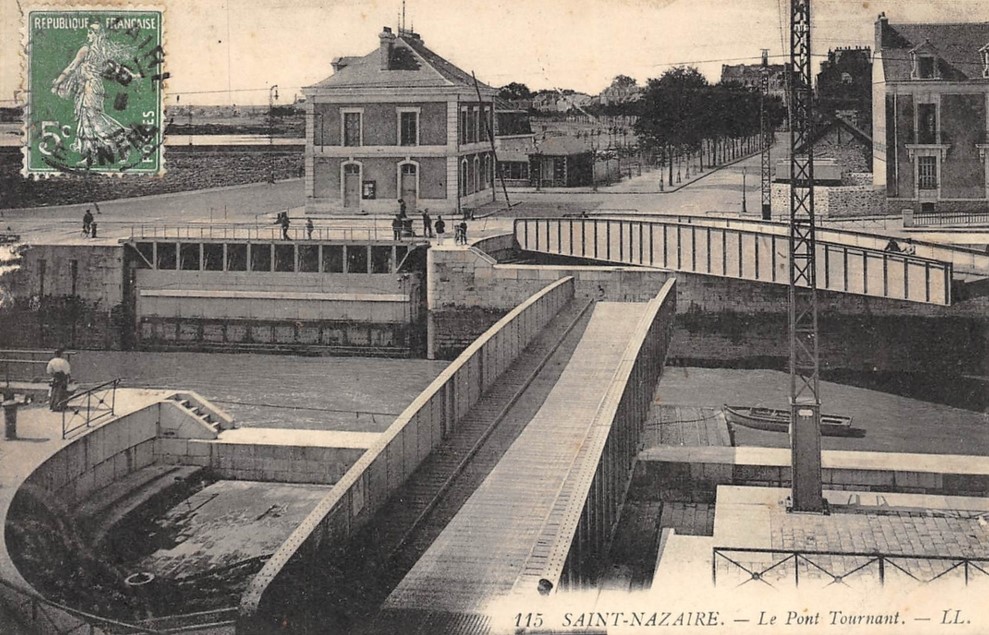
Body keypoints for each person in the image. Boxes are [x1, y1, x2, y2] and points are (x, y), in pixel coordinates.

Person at [51, 22, 133, 163]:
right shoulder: (103, 51)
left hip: (90, 88)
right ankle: (91, 156)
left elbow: (71, 67)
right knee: (86, 121)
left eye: (90, 32)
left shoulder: (85, 50)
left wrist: (58, 83)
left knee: (94, 121)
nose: (88, 35)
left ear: (96, 35)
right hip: (93, 87)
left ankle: (123, 143)